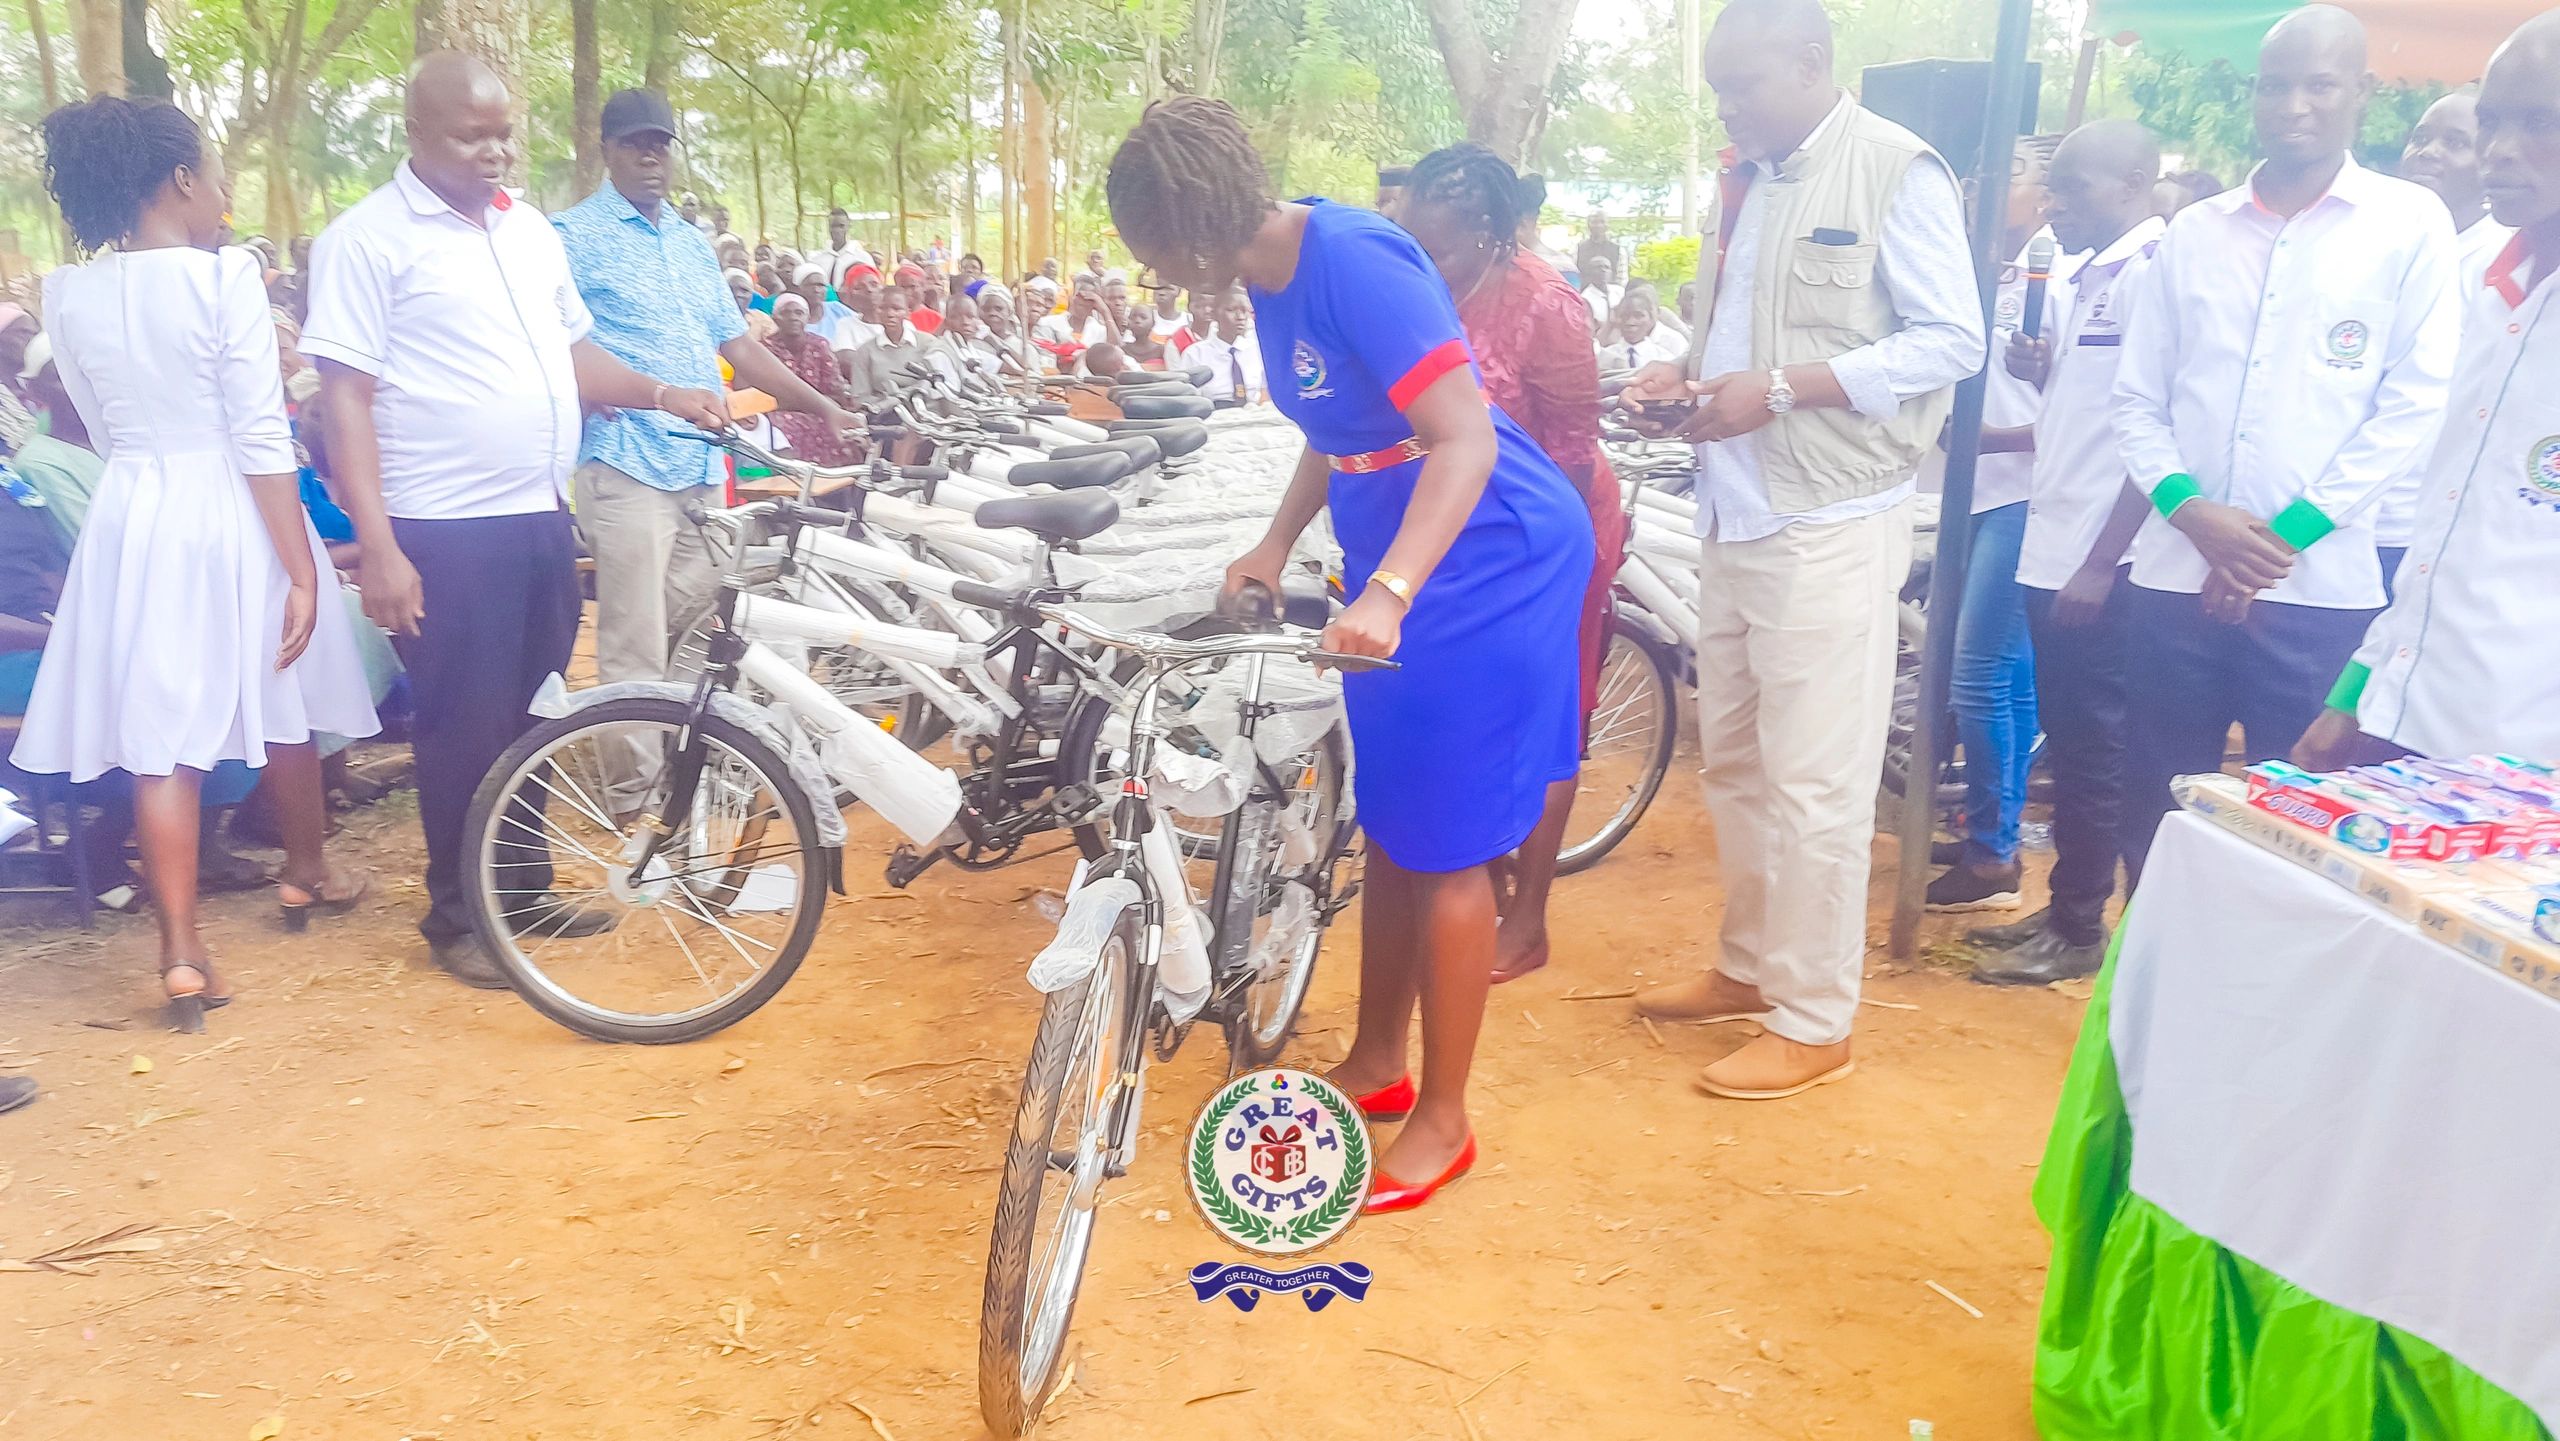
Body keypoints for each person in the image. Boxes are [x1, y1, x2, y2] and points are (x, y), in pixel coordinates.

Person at [1109, 97, 1594, 1211]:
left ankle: (1445, 1116)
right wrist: (1275, 542)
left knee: (1453, 841)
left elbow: (1462, 437)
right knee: (1393, 821)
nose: (1152, 275)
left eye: (1151, 253)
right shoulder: (1271, 280)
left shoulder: (1356, 261)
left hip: (1487, 555)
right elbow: (1341, 435)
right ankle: (1380, 1059)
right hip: (1400, 558)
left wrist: (1388, 590)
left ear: (1190, 225)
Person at [302, 53, 729, 989]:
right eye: (470, 135)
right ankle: (460, 916)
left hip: (539, 512)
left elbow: (575, 354)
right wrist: (378, 546)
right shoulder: (366, 240)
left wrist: (665, 391)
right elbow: (346, 399)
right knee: (463, 720)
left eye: (504, 133)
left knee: (536, 708)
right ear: (414, 135)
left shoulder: (529, 231)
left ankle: (523, 887)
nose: (494, 152)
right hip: (442, 528)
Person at [1623, 0, 1983, 1100]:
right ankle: (1749, 967)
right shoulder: (1752, 179)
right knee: (1733, 760)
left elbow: (1950, 341)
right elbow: (1745, 334)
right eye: (1719, 91)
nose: (1728, 108)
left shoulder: (1892, 171)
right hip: (1736, 507)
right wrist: (1677, 383)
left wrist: (1780, 392)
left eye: (1744, 86)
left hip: (1827, 518)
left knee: (1816, 781)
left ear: (1811, 64)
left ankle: (1816, 1017)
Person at [14, 95, 380, 1030]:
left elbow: (95, 425)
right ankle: (311, 868)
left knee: (160, 731)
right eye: (214, 176)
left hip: (134, 509)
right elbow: (262, 436)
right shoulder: (227, 280)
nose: (222, 196)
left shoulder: (68, 291)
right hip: (231, 506)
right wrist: (300, 568)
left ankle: (181, 949)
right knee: (284, 684)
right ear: (181, 180)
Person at [2109, 4, 2458, 883]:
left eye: (2320, 84)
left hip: (2318, 590)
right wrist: (2194, 517)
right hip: (2173, 579)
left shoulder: (2409, 225)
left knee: (2302, 830)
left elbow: (2412, 405)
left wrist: (2279, 539)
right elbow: (2137, 399)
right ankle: (2147, 1003)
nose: (2294, 105)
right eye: (2275, 85)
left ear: (2363, 94)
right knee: (2158, 809)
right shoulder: (2195, 232)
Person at [552, 87, 863, 816]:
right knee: (634, 639)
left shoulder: (692, 246)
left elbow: (734, 346)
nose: (651, 156)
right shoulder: (569, 236)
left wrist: (822, 403)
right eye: (636, 143)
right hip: (626, 458)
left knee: (697, 631)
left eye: (661, 143)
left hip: (702, 465)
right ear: (607, 150)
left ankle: (682, 775)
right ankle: (635, 796)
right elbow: (562, 347)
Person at [2295, 11, 2560, 771]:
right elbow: (2442, 540)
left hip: (2528, 770)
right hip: (2410, 728)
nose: (2500, 150)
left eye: (2539, 121)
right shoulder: (2482, 292)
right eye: (2492, 122)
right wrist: (2351, 698)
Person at [1395, 143, 1628, 985]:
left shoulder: (1548, 305)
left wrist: (1527, 571)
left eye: (1444, 246)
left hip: (1549, 532)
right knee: (1472, 708)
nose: (1427, 259)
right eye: (1416, 241)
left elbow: (1569, 454)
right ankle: (1480, 876)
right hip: (1461, 527)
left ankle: (1527, 915)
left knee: (1545, 711)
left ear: (1490, 234)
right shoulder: (1417, 286)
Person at [1967, 119, 2169, 986]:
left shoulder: (2155, 275)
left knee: (2097, 752)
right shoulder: (2093, 275)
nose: (2057, 203)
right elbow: (2090, 412)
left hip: (2099, 560)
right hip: (2054, 544)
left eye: (2075, 186)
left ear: (2131, 183)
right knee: (2076, 739)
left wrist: (2101, 560)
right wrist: (2044, 369)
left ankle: (2085, 925)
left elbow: (2155, 432)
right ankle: (2066, 905)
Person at [1930, 134, 2057, 914]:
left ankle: (1992, 854)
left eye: (2003, 171)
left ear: (2044, 193)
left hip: (2025, 492)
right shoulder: (1975, 269)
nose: (1980, 182)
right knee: (2005, 676)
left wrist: (1987, 439)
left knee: (1977, 671)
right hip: (1969, 492)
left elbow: (2086, 413)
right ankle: (1993, 836)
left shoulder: (2058, 273)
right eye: (1978, 167)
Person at [2378, 89, 2516, 586]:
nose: (2428, 152)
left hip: (2418, 517)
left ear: (2486, 164)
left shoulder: (2499, 263)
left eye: (2454, 142)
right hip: (2336, 504)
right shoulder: (2379, 241)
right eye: (2421, 137)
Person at [762, 294, 862, 462]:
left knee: (842, 429)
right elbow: (764, 394)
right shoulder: (765, 348)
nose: (793, 317)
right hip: (779, 411)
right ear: (775, 318)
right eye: (786, 313)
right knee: (781, 426)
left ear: (807, 318)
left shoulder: (819, 345)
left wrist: (820, 406)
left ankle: (840, 483)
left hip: (820, 409)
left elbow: (835, 390)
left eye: (799, 312)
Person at [842, 283, 951, 410]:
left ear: (907, 312)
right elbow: (860, 398)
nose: (890, 314)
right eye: (882, 308)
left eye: (896, 308)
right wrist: (888, 403)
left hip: (928, 413)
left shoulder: (928, 343)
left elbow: (942, 384)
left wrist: (904, 397)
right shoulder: (865, 351)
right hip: (886, 419)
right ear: (876, 311)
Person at [1175, 287, 1265, 401]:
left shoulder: (1256, 351)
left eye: (1245, 311)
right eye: (1231, 310)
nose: (1240, 317)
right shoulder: (1195, 354)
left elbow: (1265, 392)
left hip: (1254, 412)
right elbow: (1187, 397)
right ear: (1214, 314)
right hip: (1214, 413)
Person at [1601, 287, 1684, 369]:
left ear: (1651, 319)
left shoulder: (1664, 358)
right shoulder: (1604, 358)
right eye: (1624, 316)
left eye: (1638, 316)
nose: (1630, 322)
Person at [1576, 252, 1625, 330]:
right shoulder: (1585, 299)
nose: (1603, 270)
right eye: (1598, 267)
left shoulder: (1620, 291)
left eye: (1607, 267)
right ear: (1589, 273)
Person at [1574, 213, 1619, 286]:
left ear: (1607, 226)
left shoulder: (1618, 250)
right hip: (1584, 293)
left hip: (1610, 294)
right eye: (1594, 222)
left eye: (1602, 222)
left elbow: (1621, 278)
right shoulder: (1578, 248)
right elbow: (1574, 273)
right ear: (1588, 225)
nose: (1598, 225)